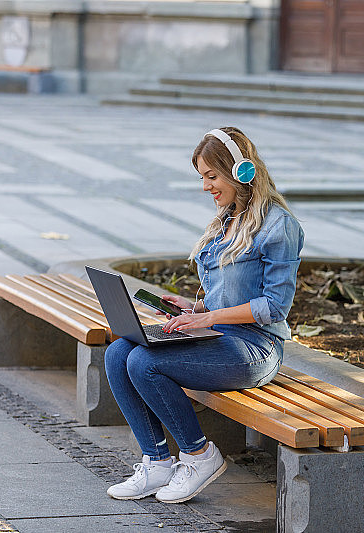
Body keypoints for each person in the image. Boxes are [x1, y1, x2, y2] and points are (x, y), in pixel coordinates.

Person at [104, 126, 304, 504]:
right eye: (202, 177)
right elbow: (227, 296)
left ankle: (199, 455)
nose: (205, 186)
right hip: (220, 337)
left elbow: (275, 306)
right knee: (118, 352)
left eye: (212, 176)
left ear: (240, 170)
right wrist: (195, 308)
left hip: (256, 349)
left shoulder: (279, 226)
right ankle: (158, 462)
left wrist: (208, 320)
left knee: (145, 363)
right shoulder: (228, 219)